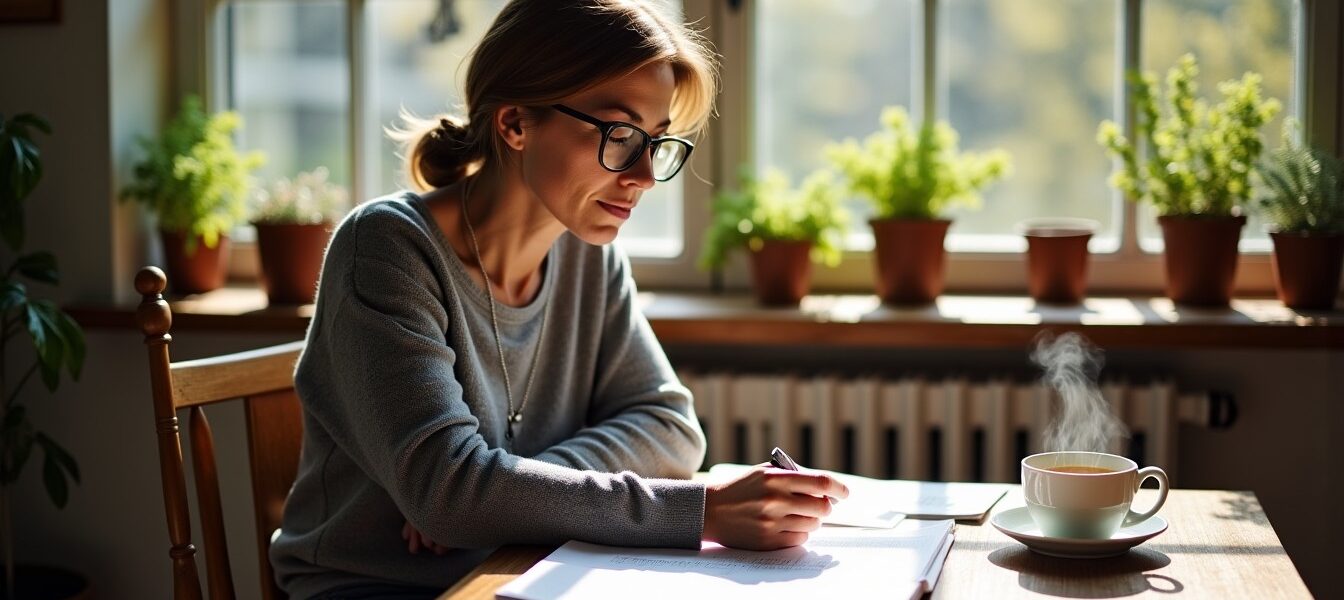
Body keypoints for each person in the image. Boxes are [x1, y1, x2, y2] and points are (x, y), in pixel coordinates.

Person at [269, 1, 848, 598]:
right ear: (515, 123)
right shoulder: (386, 247)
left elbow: (671, 428)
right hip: (378, 587)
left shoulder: (588, 252)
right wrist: (703, 511)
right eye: (620, 135)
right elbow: (450, 496)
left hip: (530, 564)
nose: (645, 174)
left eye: (656, 140)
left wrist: (500, 495)